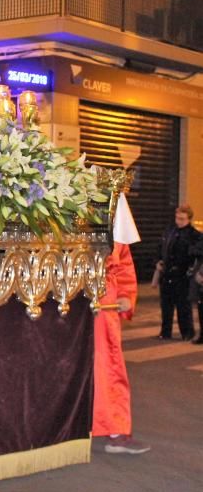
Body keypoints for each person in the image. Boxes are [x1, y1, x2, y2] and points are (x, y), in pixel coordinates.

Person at [93, 193, 150, 454]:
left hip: (105, 308)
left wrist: (127, 295)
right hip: (76, 303)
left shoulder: (115, 232)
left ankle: (114, 428)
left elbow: (124, 265)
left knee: (107, 366)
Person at [155, 204, 200, 340]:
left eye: (182, 219)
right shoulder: (170, 231)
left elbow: (196, 255)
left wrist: (191, 270)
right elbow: (160, 248)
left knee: (183, 306)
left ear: (189, 219)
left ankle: (187, 332)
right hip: (167, 272)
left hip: (183, 275)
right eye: (177, 218)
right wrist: (157, 262)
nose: (179, 221)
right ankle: (165, 331)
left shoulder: (194, 235)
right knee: (166, 305)